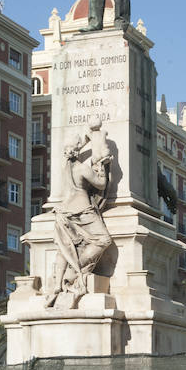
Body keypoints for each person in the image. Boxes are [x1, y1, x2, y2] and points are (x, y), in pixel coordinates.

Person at [45, 130, 112, 309]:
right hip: (82, 211)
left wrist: (86, 140)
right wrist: (103, 166)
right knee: (103, 240)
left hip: (63, 211)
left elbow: (73, 148)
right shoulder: (82, 168)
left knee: (66, 246)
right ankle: (75, 270)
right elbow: (101, 184)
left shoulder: (64, 165)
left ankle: (57, 285)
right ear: (78, 151)